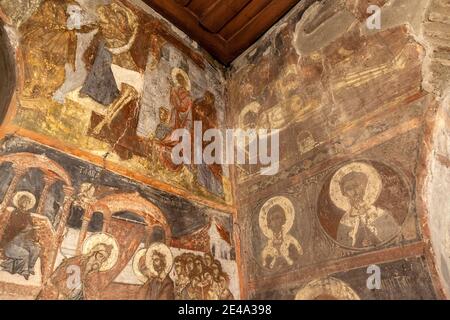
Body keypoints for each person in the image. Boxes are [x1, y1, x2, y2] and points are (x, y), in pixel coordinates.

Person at [336, 170, 400, 247]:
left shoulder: (379, 213)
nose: (354, 191)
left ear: (363, 188)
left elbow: (394, 238)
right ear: (345, 193)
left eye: (356, 186)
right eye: (349, 188)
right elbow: (343, 247)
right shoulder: (345, 221)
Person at [37, 243, 113, 300]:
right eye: (100, 256)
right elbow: (59, 275)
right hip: (61, 291)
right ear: (94, 252)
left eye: (104, 259)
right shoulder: (78, 260)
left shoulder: (94, 272)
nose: (100, 260)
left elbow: (91, 290)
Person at [1, 192, 40, 280]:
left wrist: (34, 231)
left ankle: (30, 268)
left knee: (36, 249)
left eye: (27, 202)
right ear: (19, 202)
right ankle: (24, 271)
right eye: (24, 201)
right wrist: (26, 227)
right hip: (11, 242)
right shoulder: (15, 213)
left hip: (23, 241)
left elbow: (31, 228)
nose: (25, 204)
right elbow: (14, 227)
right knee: (25, 253)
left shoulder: (28, 215)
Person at [261, 204, 303, 269]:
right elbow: (266, 267)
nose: (275, 221)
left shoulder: (291, 241)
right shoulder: (267, 250)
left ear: (283, 220)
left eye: (277, 217)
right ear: (269, 224)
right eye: (272, 219)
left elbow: (298, 258)